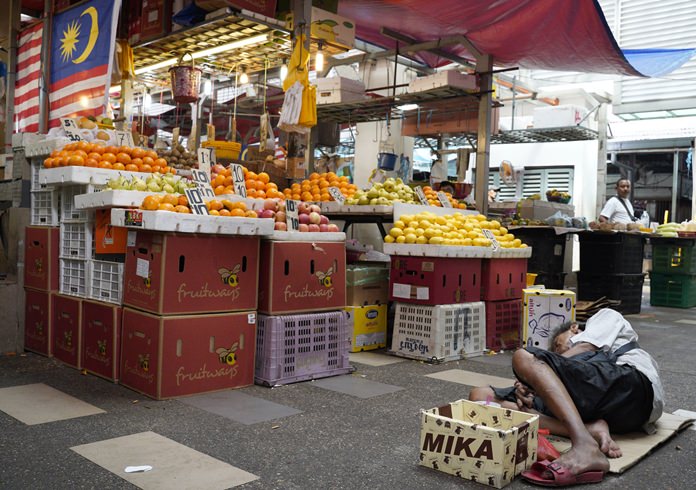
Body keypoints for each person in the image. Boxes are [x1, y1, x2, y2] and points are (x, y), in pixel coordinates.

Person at [469, 308, 664, 486]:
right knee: (480, 398)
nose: (556, 352)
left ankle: (584, 444)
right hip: (612, 415)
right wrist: (530, 385)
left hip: (633, 389)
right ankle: (590, 429)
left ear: (574, 329)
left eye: (557, 345)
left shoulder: (605, 316)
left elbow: (587, 347)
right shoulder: (567, 374)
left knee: (523, 357)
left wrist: (532, 372)